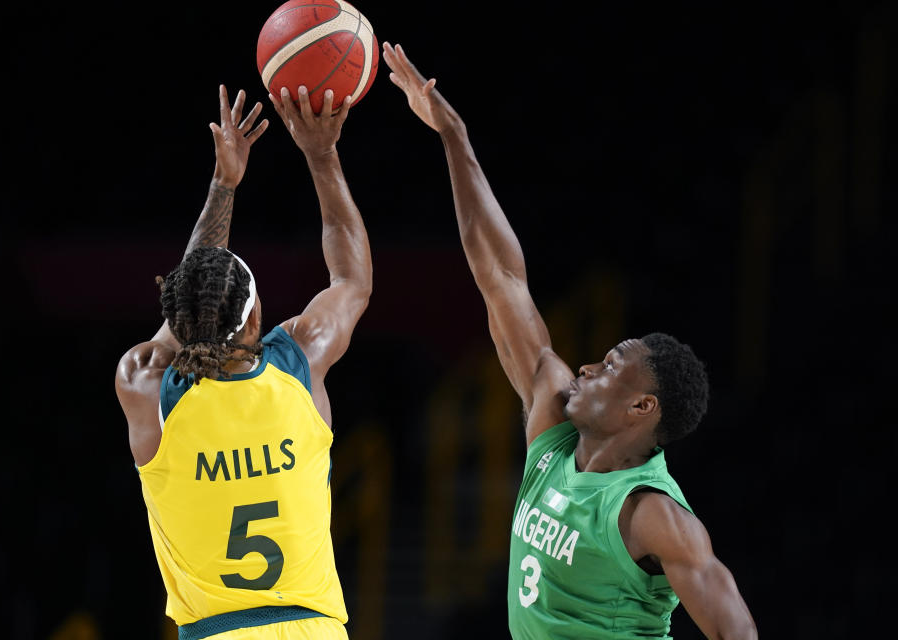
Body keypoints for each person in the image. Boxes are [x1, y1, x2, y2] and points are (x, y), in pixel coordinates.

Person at [382, 43, 758, 640]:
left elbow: (736, 632)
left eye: (609, 366)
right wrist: (453, 137)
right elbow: (501, 279)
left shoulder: (653, 515)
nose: (584, 367)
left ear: (642, 407)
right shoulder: (553, 434)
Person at [114, 83, 370, 640]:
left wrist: (223, 186)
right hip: (314, 630)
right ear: (256, 319)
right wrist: (321, 154)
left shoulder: (149, 388)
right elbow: (350, 278)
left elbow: (185, 309)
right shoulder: (299, 363)